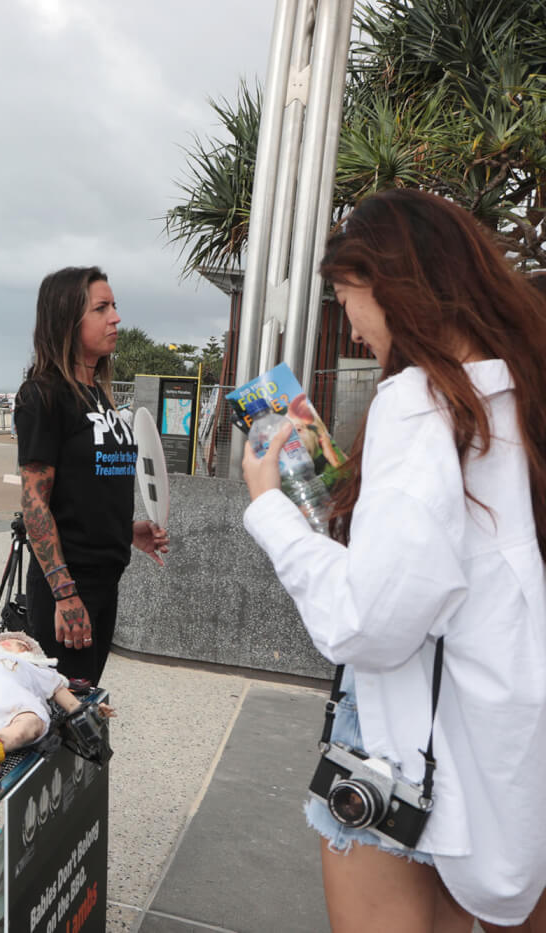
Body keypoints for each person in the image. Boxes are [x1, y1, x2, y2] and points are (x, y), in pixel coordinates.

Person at [241, 189, 546, 931]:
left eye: (348, 296)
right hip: (495, 744)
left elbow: (368, 622)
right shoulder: (519, 393)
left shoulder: (418, 404)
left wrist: (268, 504)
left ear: (393, 287)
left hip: (400, 741)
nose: (349, 323)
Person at [15, 267, 168, 685]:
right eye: (101, 308)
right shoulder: (44, 395)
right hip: (69, 586)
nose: (115, 317)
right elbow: (34, 504)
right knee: (67, 721)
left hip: (106, 580)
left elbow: (90, 485)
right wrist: (66, 595)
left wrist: (125, 530)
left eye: (114, 306)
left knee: (85, 711)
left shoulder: (97, 394)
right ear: (67, 320)